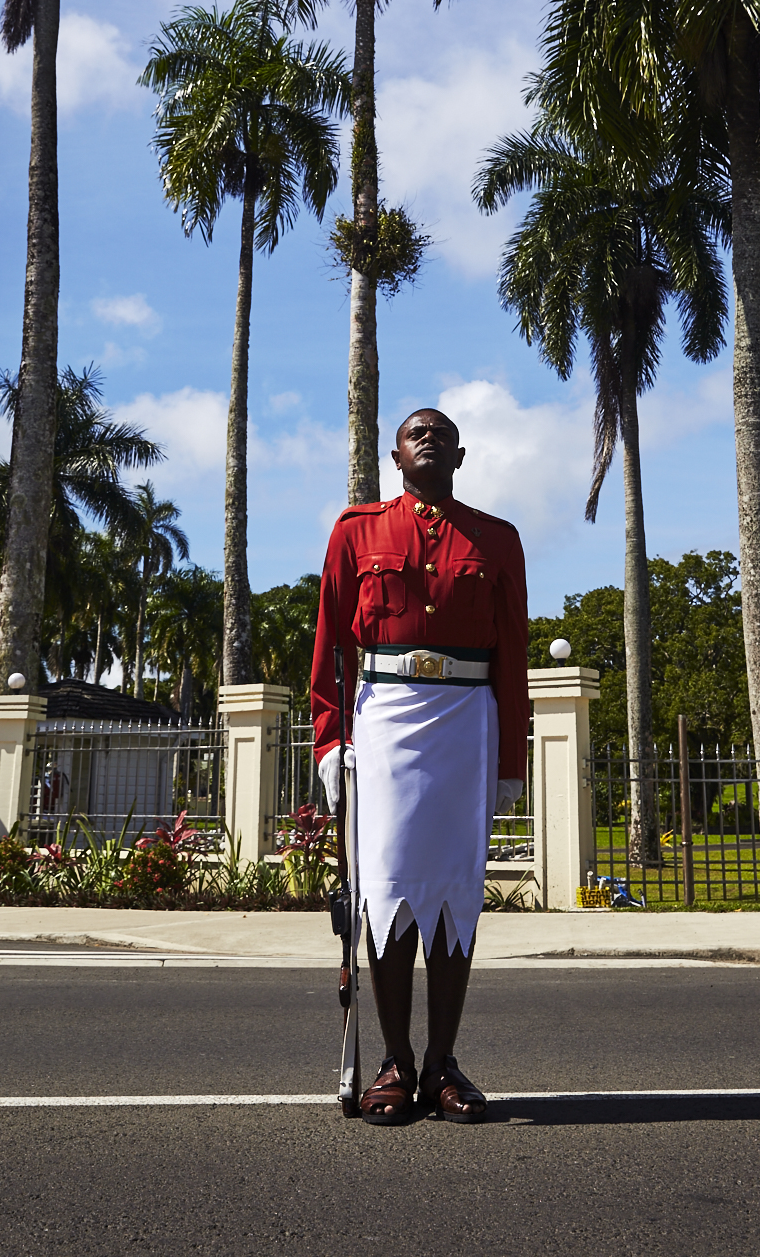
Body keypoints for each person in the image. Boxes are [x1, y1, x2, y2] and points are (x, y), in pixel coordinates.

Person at [311, 407, 529, 1125]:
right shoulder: (356, 532)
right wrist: (330, 742)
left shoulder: (496, 540)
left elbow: (514, 660)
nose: (429, 437)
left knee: (455, 903)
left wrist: (509, 762)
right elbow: (331, 649)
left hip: (466, 722)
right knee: (389, 893)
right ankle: (395, 1064)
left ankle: (443, 1066)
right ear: (396, 458)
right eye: (416, 433)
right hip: (384, 724)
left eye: (442, 432)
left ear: (459, 456)